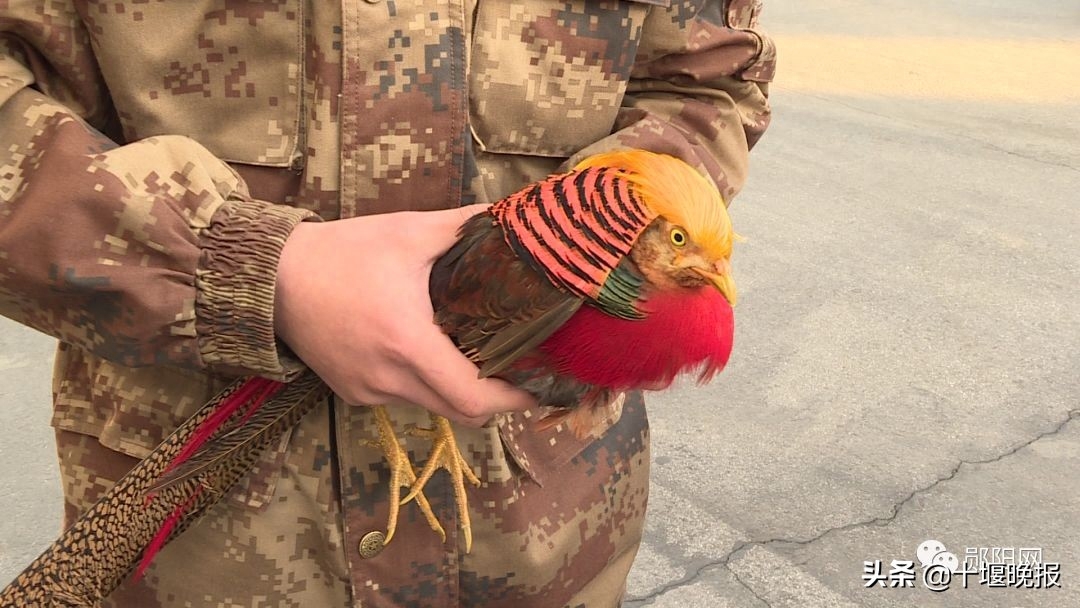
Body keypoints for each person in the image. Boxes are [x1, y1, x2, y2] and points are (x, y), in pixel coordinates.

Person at [0, 1, 774, 605]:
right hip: (213, 547)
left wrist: (580, 238)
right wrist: (240, 267)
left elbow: (707, 78)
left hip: (547, 536)